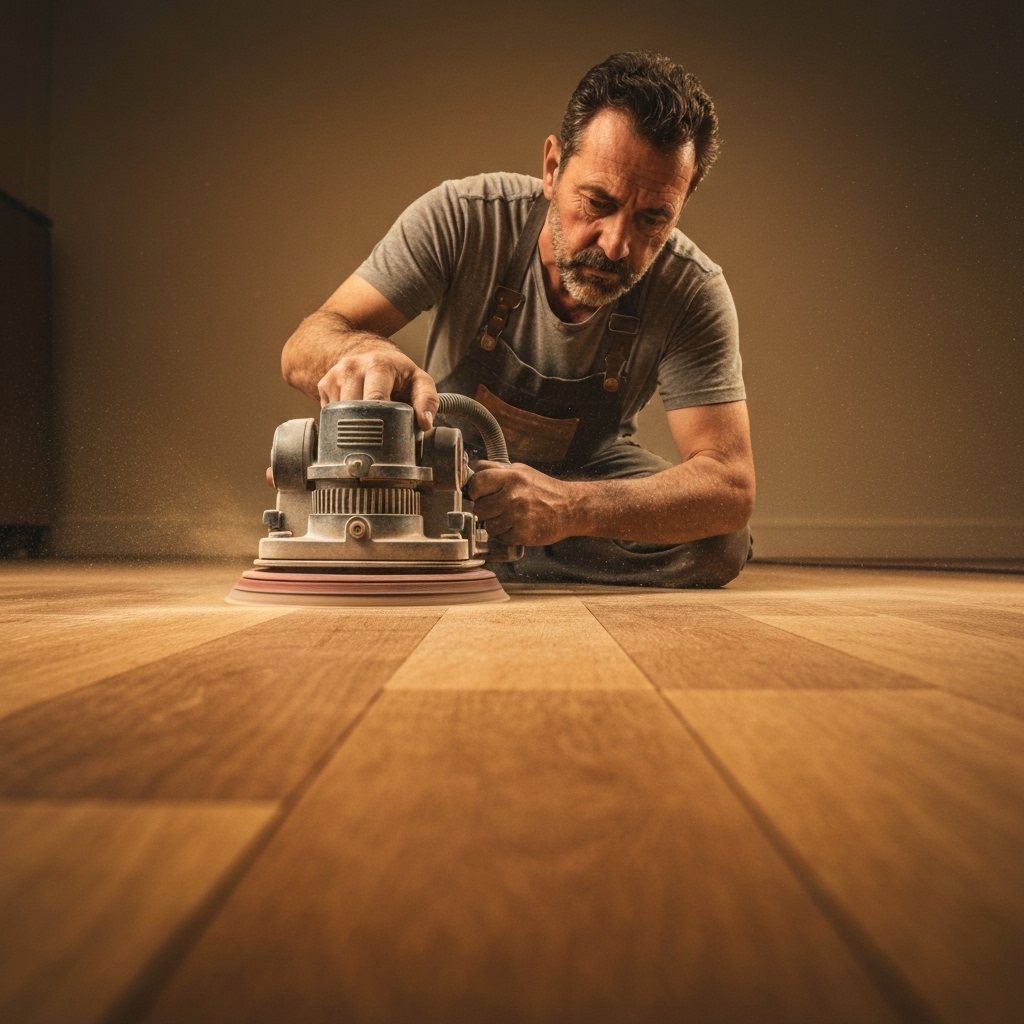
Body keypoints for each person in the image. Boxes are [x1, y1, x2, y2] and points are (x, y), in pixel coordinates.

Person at [280, 51, 755, 587]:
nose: (617, 245)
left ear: (683, 201)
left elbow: (730, 487)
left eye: (653, 218)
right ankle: (473, 535)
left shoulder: (693, 289)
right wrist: (366, 354)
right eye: (598, 202)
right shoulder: (463, 217)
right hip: (446, 467)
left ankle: (458, 544)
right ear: (552, 168)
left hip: (587, 479)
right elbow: (307, 341)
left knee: (720, 544)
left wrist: (573, 507)